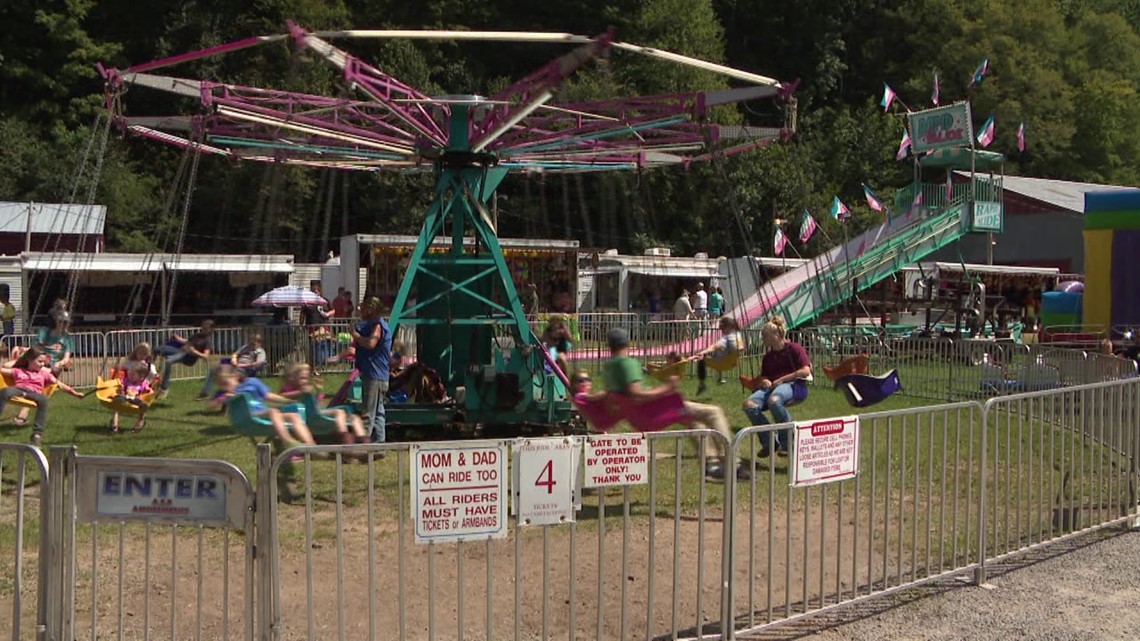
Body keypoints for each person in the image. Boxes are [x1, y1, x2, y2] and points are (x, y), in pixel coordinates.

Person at [603, 328, 748, 481]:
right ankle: (733, 463)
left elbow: (614, 397)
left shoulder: (609, 367)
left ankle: (711, 466)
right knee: (714, 412)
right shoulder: (627, 363)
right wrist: (667, 388)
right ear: (628, 343)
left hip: (638, 416)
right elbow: (636, 393)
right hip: (653, 411)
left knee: (694, 421)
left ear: (609, 346)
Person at [743, 317, 813, 458]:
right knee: (749, 405)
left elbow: (806, 370)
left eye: (765, 336)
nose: (762, 339)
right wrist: (765, 381)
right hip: (772, 387)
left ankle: (788, 441)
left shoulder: (794, 349)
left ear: (775, 335)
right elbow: (764, 376)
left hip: (793, 386)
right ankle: (769, 442)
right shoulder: (768, 357)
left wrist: (782, 379)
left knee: (774, 401)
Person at [207, 364, 316, 447]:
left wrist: (287, 401)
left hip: (262, 414)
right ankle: (287, 440)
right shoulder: (224, 392)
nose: (223, 387)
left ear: (235, 376)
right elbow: (210, 406)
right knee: (273, 411)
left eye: (225, 383)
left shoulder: (252, 383)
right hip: (247, 418)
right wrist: (222, 398)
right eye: (220, 385)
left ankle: (311, 446)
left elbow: (268, 396)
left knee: (294, 416)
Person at [1, 346, 85, 445]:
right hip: (18, 390)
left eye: (43, 362)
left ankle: (37, 434)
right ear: (29, 360)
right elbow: (2, 370)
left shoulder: (44, 374)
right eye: (39, 361)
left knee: (44, 400)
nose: (43, 364)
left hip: (34, 393)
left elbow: (59, 384)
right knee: (5, 391)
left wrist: (75, 394)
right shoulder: (19, 371)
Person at [278, 362, 366, 442]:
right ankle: (344, 439)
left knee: (355, 418)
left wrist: (319, 390)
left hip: (315, 412)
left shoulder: (307, 388)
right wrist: (299, 393)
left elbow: (315, 402)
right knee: (338, 412)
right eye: (302, 378)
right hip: (309, 416)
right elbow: (281, 396)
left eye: (306, 378)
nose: (305, 381)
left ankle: (364, 443)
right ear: (293, 377)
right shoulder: (289, 388)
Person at [351, 296, 393, 445]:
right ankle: (379, 445)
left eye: (364, 307)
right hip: (380, 375)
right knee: (379, 413)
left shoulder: (377, 326)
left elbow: (370, 343)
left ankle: (363, 447)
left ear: (371, 309)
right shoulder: (379, 324)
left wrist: (355, 336)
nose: (361, 310)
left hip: (374, 376)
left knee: (368, 413)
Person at [156, 319, 214, 400]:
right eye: (202, 326)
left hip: (188, 356)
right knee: (157, 349)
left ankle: (164, 388)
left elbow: (205, 356)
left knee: (169, 361)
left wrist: (194, 351)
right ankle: (151, 376)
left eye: (205, 327)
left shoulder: (207, 341)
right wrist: (177, 338)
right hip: (180, 351)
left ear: (210, 329)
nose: (203, 328)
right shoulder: (197, 335)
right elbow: (186, 341)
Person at [693, 317, 743, 395]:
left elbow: (714, 346)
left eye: (723, 328)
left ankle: (702, 384)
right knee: (721, 351)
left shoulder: (726, 338)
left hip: (722, 364)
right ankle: (720, 377)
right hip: (733, 363)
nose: (722, 331)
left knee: (701, 360)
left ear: (729, 327)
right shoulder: (738, 335)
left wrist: (703, 352)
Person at [109, 362, 154, 433]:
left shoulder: (143, 384)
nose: (130, 376)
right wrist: (121, 388)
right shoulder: (126, 380)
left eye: (133, 375)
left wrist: (150, 391)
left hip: (135, 399)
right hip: (126, 398)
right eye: (129, 373)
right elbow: (120, 384)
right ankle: (114, 422)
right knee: (120, 398)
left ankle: (141, 419)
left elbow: (148, 390)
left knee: (141, 402)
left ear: (141, 377)